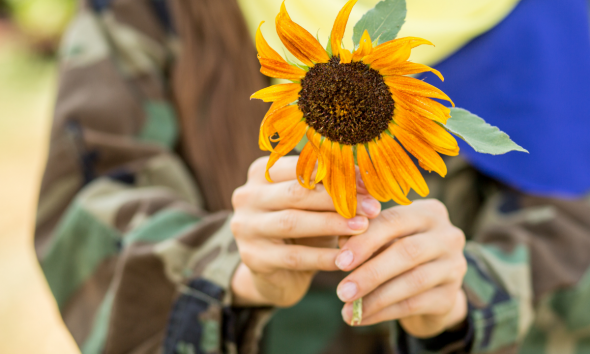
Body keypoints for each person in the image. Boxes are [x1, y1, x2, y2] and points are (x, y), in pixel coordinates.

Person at [35, 0, 590, 353]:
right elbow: (90, 192)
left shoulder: (554, 20)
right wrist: (234, 272)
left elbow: (574, 227)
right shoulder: (157, 10)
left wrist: (465, 303)